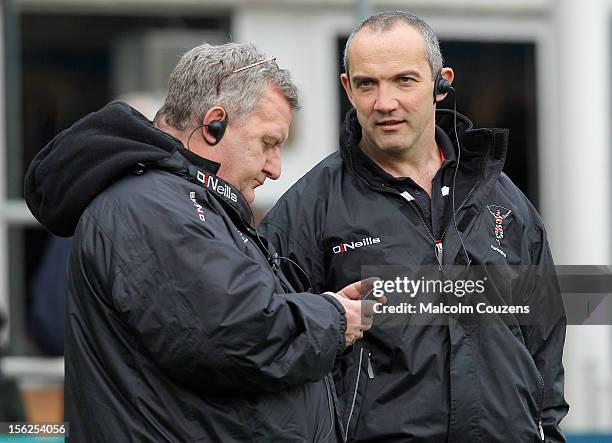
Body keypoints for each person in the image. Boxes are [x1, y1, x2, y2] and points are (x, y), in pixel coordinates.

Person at [24, 42, 377, 442]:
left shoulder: (177, 201)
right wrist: (332, 318)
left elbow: (230, 316)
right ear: (214, 125)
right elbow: (235, 332)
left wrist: (321, 313)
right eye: (268, 143)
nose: (274, 169)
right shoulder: (152, 205)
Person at [261, 11, 568, 442]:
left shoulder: (503, 200)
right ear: (348, 88)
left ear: (440, 83)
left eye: (404, 80)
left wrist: (546, 432)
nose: (384, 103)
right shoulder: (309, 210)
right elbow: (272, 347)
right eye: (367, 84)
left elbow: (545, 341)